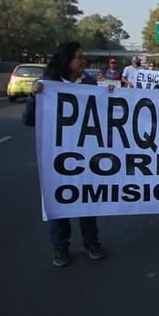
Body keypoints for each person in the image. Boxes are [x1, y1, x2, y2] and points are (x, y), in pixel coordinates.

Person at [23, 41, 107, 267]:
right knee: (60, 200)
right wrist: (34, 97)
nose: (84, 61)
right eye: (79, 57)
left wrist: (109, 96)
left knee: (87, 198)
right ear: (66, 60)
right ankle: (60, 247)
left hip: (86, 154)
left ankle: (91, 242)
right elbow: (29, 120)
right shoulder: (46, 84)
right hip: (57, 155)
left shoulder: (88, 82)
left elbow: (102, 115)